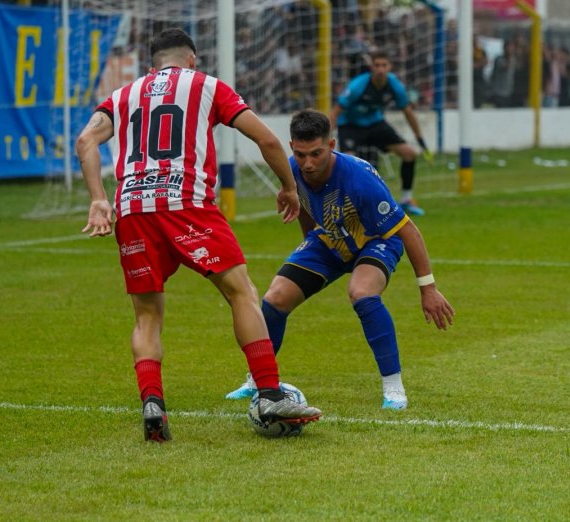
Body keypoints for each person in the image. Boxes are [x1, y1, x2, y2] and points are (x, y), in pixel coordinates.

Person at [76, 28, 322, 442]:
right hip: (186, 203)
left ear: (152, 64)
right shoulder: (206, 85)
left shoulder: (123, 95)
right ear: (191, 59)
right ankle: (268, 394)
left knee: (147, 316)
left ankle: (152, 402)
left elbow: (85, 141)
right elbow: (265, 138)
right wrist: (288, 186)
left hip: (133, 208)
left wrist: (99, 199)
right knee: (240, 292)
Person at [225, 110, 455, 410]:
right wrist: (308, 242)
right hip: (329, 239)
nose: (308, 163)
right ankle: (257, 380)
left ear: (331, 145)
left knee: (361, 293)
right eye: (300, 154)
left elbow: (408, 231)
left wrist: (428, 288)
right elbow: (301, 202)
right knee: (275, 298)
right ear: (291, 146)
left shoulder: (360, 179)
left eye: (316, 154)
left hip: (375, 241)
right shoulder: (291, 169)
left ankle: (393, 386)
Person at [329, 49, 430, 216]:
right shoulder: (357, 85)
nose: (381, 69)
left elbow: (408, 112)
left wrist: (419, 138)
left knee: (409, 154)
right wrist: (326, 140)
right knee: (348, 164)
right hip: (351, 125)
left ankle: (406, 200)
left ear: (390, 67)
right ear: (372, 67)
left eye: (384, 65)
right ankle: (346, 205)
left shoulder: (395, 85)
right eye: (377, 65)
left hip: (375, 123)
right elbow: (336, 111)